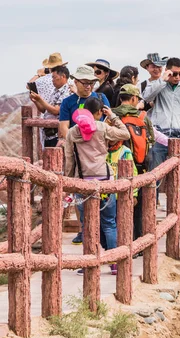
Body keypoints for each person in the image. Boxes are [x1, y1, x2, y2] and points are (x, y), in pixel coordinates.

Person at [63, 97, 130, 275]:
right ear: (100, 112)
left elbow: (69, 160)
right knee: (109, 223)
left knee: (86, 225)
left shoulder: (72, 132)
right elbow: (125, 134)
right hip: (104, 180)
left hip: (83, 183)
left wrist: (69, 184)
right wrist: (113, 116)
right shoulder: (102, 127)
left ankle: (89, 264)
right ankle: (114, 263)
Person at [59, 65, 111, 245]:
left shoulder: (101, 98)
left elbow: (107, 121)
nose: (88, 86)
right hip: (79, 154)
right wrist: (75, 141)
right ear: (76, 82)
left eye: (91, 83)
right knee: (79, 194)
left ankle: (102, 234)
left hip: (99, 154)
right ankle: (84, 230)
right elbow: (64, 127)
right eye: (84, 83)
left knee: (103, 197)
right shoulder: (68, 102)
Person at [143, 57, 180, 180]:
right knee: (154, 175)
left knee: (177, 177)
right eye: (174, 73)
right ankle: (153, 199)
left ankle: (176, 200)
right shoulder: (158, 85)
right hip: (159, 137)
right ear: (167, 71)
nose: (177, 77)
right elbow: (146, 97)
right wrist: (162, 80)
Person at [112, 84, 155, 242]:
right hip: (139, 167)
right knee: (138, 208)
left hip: (116, 166)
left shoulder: (112, 115)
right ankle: (138, 241)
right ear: (134, 98)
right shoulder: (143, 117)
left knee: (116, 207)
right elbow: (152, 140)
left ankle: (120, 241)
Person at [29, 65, 70, 148]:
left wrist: (40, 100)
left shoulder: (66, 91)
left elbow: (56, 111)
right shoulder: (55, 91)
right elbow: (44, 110)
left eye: (54, 77)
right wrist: (36, 101)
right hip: (48, 133)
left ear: (63, 77)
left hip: (57, 134)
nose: (52, 80)